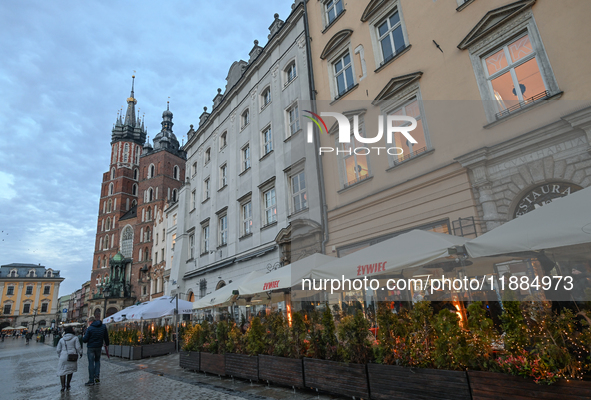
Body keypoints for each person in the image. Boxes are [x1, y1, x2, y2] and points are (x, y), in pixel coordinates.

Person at [82, 311, 109, 386]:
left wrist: (83, 337)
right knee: (97, 361)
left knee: (91, 363)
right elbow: (106, 337)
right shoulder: (103, 326)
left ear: (90, 322)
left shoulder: (90, 328)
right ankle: (97, 376)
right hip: (99, 347)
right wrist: (107, 344)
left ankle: (91, 380)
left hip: (91, 347)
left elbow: (84, 340)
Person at [57, 326, 82, 392]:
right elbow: (78, 347)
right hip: (72, 356)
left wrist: (60, 355)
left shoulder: (61, 339)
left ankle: (63, 386)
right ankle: (68, 384)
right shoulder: (75, 338)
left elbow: (58, 349)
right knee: (70, 370)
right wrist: (80, 353)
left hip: (63, 356)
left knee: (62, 371)